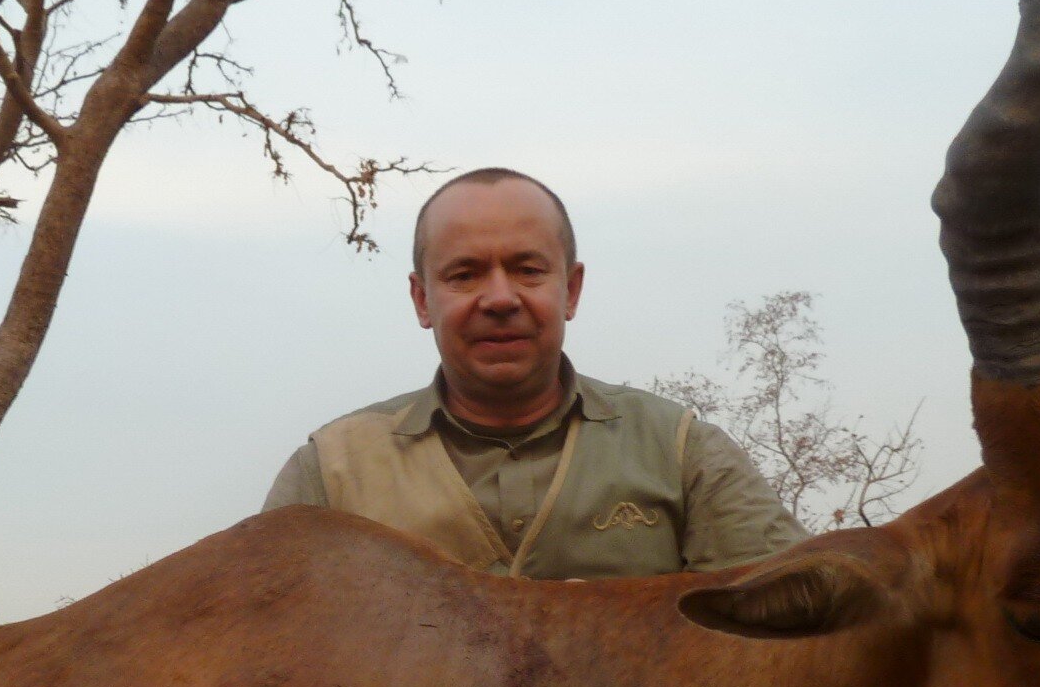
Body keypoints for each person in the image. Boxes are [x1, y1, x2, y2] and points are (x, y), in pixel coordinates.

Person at [266, 167, 805, 578]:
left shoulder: (680, 450)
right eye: (464, 274)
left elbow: (804, 617)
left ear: (570, 290)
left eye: (527, 270)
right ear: (421, 299)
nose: (500, 299)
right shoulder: (330, 474)